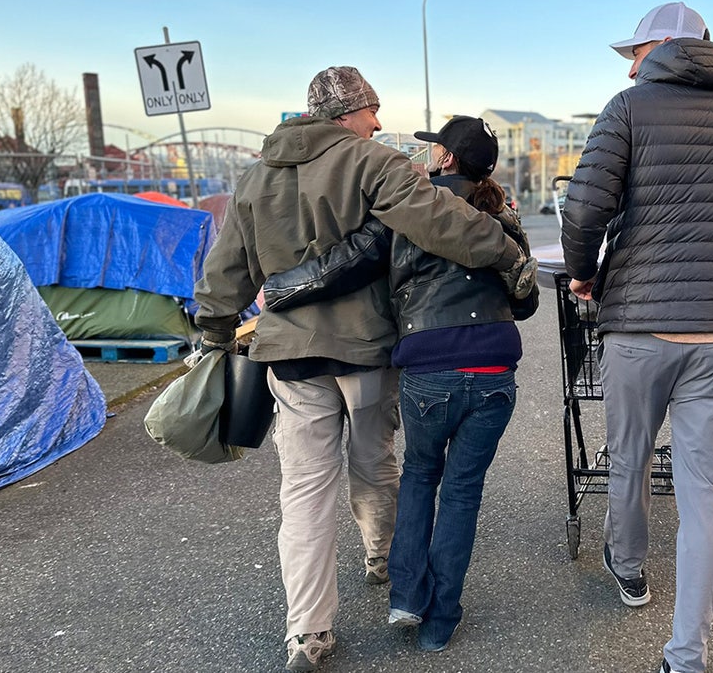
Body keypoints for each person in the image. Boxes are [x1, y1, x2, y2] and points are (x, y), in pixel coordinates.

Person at [193, 66, 527, 673]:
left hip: (290, 358)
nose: (378, 122)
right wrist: (506, 251)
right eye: (372, 111)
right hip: (366, 348)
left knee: (304, 493)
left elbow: (225, 271)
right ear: (350, 113)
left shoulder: (254, 176)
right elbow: (441, 221)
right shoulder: (372, 161)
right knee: (375, 463)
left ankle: (308, 633)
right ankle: (382, 556)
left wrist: (215, 333)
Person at [559, 3, 713, 673]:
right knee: (705, 495)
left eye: (635, 50)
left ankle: (628, 569)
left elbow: (585, 209)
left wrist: (584, 274)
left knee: (627, 457)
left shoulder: (628, 107)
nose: (630, 63)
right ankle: (686, 657)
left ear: (660, 46)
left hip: (640, 325)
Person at [384, 115, 538, 653]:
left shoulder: (410, 211)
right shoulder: (504, 220)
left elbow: (374, 281)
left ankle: (407, 596)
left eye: (435, 150)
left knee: (420, 474)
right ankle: (441, 620)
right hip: (495, 369)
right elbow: (526, 302)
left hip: (429, 366)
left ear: (446, 159)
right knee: (462, 492)